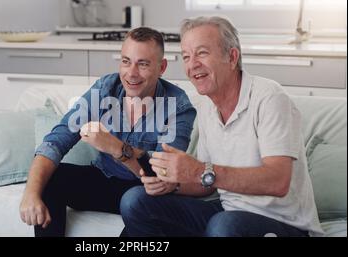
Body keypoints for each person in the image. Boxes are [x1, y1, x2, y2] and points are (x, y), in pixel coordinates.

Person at [119, 16, 324, 237]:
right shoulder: (207, 106)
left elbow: (278, 181)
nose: (192, 64)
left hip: (283, 223)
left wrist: (200, 170)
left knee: (224, 226)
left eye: (202, 53)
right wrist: (175, 185)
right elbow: (207, 183)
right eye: (186, 57)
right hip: (227, 212)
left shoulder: (269, 98)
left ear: (232, 56)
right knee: (135, 201)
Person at [19, 27, 197, 237]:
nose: (131, 73)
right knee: (51, 178)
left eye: (143, 64)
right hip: (104, 178)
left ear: (162, 67)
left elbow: (159, 178)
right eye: (126, 61)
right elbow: (56, 141)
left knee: (140, 206)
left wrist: (116, 148)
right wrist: (30, 194)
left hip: (143, 191)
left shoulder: (178, 106)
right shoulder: (106, 88)